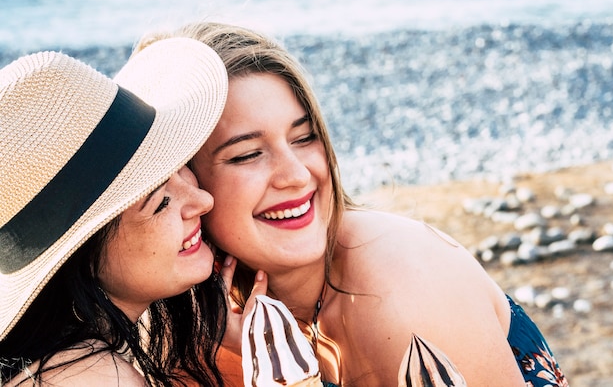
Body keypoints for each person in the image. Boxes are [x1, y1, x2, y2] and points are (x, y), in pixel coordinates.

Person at [135, 23, 568, 386]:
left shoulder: (401, 294)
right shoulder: (200, 308)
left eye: (303, 137)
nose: (297, 175)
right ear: (184, 179)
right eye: (248, 154)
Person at [0, 37, 267, 386]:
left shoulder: (58, 363)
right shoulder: (98, 378)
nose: (203, 200)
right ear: (84, 254)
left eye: (181, 166)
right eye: (160, 203)